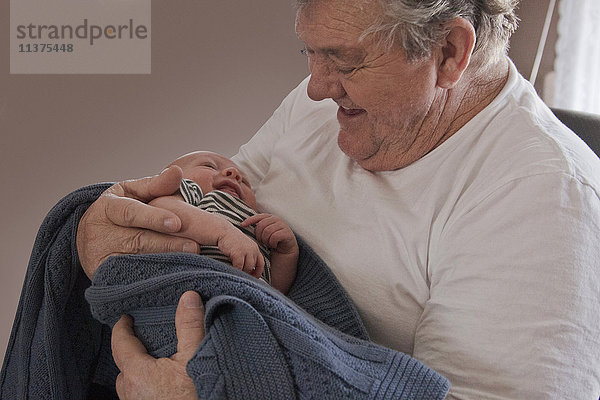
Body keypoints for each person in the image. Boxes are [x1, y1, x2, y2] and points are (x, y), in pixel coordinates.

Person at [76, 0, 600, 398]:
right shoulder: (330, 108)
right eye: (311, 53)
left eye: (344, 63)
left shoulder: (542, 200)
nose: (315, 88)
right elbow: (216, 208)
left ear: (448, 53)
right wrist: (104, 234)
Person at [148, 150, 298, 294]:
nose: (234, 173)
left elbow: (275, 289)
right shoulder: (192, 193)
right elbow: (162, 209)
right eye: (209, 166)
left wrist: (285, 254)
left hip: (250, 299)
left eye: (245, 182)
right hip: (192, 284)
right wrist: (224, 232)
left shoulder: (255, 222)